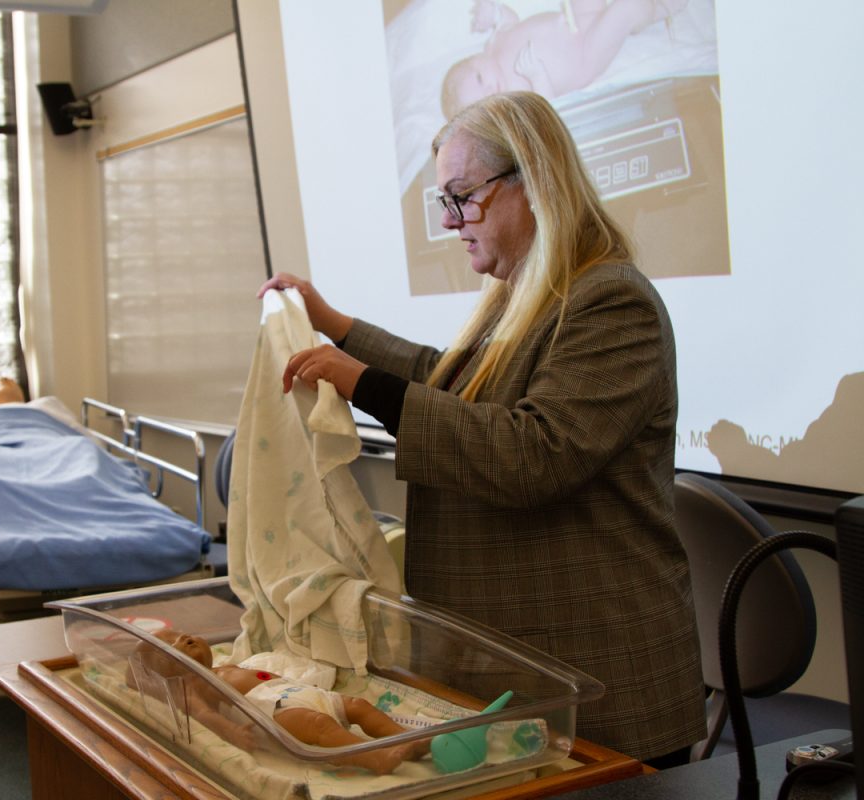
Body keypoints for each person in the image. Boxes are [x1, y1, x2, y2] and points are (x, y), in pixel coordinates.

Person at [258, 91, 706, 767]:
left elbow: (533, 453)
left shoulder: (612, 301)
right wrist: (335, 325)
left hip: (600, 687)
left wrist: (363, 383)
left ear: (532, 180)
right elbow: (453, 381)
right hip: (522, 674)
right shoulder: (529, 297)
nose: (452, 222)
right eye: (444, 202)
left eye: (462, 197)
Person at [128, 628, 429, 774]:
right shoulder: (193, 683)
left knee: (358, 706)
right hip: (265, 712)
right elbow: (202, 713)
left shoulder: (224, 665)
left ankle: (406, 739)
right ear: (169, 674)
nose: (185, 639)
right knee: (318, 726)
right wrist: (231, 732)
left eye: (181, 634)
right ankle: (374, 759)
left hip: (292, 692)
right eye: (172, 647)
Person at [441, 0, 688, 120]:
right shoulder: (514, 100)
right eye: (484, 98)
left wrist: (491, 11)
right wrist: (538, 75)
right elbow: (548, 106)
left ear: (476, 57)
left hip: (574, 20)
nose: (490, 88)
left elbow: (509, 19)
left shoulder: (495, 42)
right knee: (627, 11)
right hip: (585, 54)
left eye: (480, 78)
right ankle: (662, 9)